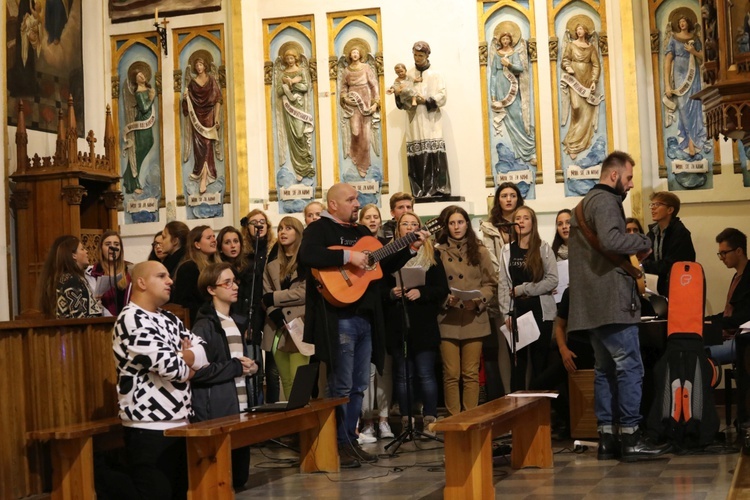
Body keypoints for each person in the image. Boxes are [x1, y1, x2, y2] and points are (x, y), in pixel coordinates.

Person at [300, 183, 429, 468]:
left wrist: (410, 248)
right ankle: (336, 444)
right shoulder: (319, 228)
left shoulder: (362, 234)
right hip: (340, 318)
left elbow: (381, 263)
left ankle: (349, 440)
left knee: (359, 385)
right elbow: (307, 255)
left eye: (357, 198)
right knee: (342, 384)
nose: (357, 203)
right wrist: (348, 256)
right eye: (351, 199)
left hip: (366, 318)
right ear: (333, 204)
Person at [568, 150, 670, 461]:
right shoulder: (606, 202)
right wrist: (643, 242)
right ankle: (632, 437)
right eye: (627, 179)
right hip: (612, 302)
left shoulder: (583, 204)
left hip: (590, 304)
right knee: (630, 367)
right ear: (614, 175)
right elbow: (612, 241)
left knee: (605, 370)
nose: (629, 185)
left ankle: (608, 438)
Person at [113, 261, 209, 499]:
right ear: (142, 282)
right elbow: (174, 369)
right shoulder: (131, 320)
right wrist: (185, 359)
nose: (170, 281)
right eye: (162, 276)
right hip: (148, 427)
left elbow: (204, 353)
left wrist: (182, 356)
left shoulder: (170, 318)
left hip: (181, 422)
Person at [191, 262, 257, 490]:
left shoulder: (235, 322)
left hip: (241, 402)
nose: (234, 286)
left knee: (240, 479)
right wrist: (237, 367)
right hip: (219, 405)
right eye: (227, 282)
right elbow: (199, 372)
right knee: (224, 479)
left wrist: (250, 368)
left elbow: (236, 362)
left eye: (235, 281)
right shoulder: (204, 326)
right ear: (211, 289)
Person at [383, 211, 449, 437]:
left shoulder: (432, 255)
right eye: (405, 224)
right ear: (398, 229)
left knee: (425, 373)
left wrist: (421, 293)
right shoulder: (387, 256)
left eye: (414, 224)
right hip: (397, 321)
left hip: (422, 321)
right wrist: (391, 293)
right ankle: (406, 420)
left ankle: (430, 419)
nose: (410, 228)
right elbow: (377, 288)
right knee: (402, 375)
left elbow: (442, 289)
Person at [436, 206, 497, 415]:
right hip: (447, 318)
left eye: (460, 222)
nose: (456, 227)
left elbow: (491, 283)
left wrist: (479, 299)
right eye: (452, 223)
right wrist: (446, 299)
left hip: (473, 317)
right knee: (451, 373)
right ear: (447, 226)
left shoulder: (479, 251)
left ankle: (470, 418)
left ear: (466, 224)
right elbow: (433, 285)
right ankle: (454, 420)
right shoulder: (438, 251)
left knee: (471, 372)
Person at [498, 206, 558, 391]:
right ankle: (517, 411)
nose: (521, 221)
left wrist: (524, 288)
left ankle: (540, 410)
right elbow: (503, 284)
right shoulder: (507, 250)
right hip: (516, 312)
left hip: (540, 312)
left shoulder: (544, 248)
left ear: (533, 223)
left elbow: (552, 280)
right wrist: (505, 313)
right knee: (518, 365)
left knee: (539, 364)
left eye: (526, 218)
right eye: (518, 218)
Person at [479, 181, 525, 396]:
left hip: (524, 289)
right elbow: (490, 259)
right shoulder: (489, 227)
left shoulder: (525, 221)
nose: (508, 199)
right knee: (504, 343)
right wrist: (505, 284)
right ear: (498, 200)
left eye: (512, 195)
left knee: (525, 344)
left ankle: (527, 392)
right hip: (501, 290)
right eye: (504, 195)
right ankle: (508, 394)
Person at [356, 204, 393, 442]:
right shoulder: (356, 246)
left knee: (385, 371)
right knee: (366, 372)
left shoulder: (387, 247)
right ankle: (367, 420)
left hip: (385, 312)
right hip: (362, 310)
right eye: (367, 217)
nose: (372, 220)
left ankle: (385, 419)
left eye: (375, 217)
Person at [262, 217, 309, 399]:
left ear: (298, 233)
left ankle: (301, 421)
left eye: (288, 228)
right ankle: (292, 423)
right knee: (285, 381)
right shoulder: (271, 265)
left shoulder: (306, 263)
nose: (282, 231)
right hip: (276, 328)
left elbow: (304, 293)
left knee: (299, 380)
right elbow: (264, 295)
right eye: (280, 228)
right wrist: (273, 311)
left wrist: (275, 298)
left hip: (300, 325)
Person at [397, 41, 452, 197]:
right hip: (414, 119)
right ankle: (419, 190)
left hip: (431, 119)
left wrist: (426, 100)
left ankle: (438, 189)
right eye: (415, 55)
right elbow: (402, 98)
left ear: (427, 55)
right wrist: (400, 95)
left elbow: (442, 96)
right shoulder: (407, 75)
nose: (417, 58)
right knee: (417, 153)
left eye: (420, 55)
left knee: (434, 151)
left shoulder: (436, 75)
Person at [241, 209, 279, 403]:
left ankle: (273, 411)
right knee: (256, 367)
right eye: (254, 222)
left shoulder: (275, 249)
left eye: (262, 221)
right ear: (247, 227)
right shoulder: (245, 253)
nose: (259, 225)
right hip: (252, 314)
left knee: (273, 371)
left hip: (272, 312)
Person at [490, 31, 536, 164]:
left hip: (512, 88)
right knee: (508, 122)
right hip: (500, 87)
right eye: (503, 39)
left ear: (510, 40)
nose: (505, 41)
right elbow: (493, 75)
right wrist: (493, 95)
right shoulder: (497, 54)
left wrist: (509, 65)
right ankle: (519, 153)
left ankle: (528, 149)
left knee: (518, 116)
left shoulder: (515, 54)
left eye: (507, 38)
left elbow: (520, 69)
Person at [664, 14, 707, 156]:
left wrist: (693, 51)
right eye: (680, 22)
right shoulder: (674, 38)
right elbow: (668, 61)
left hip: (692, 75)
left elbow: (703, 56)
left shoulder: (694, 38)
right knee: (682, 106)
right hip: (679, 75)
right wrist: (667, 85)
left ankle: (693, 140)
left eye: (684, 21)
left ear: (688, 23)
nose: (682, 24)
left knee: (694, 107)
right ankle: (688, 138)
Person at [707, 228, 750, 364]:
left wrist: (712, 324)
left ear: (738, 251)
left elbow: (744, 316)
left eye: (724, 253)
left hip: (743, 340)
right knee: (690, 347)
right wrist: (704, 320)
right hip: (730, 336)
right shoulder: (737, 276)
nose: (722, 258)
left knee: (700, 354)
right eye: (720, 254)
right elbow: (729, 313)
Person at [182, 53, 223, 194]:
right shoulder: (192, 83)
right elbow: (187, 106)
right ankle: (200, 173)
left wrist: (217, 117)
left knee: (207, 145)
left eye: (201, 64)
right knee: (198, 147)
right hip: (197, 118)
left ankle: (205, 177)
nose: (199, 67)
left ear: (205, 65)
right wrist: (185, 98)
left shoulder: (211, 80)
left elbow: (218, 99)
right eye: (197, 65)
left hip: (209, 116)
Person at [561, 23, 602, 159]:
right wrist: (568, 67)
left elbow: (596, 65)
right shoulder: (571, 45)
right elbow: (565, 60)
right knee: (576, 107)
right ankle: (572, 141)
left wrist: (594, 81)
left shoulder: (590, 48)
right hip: (575, 80)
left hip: (587, 81)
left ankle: (577, 145)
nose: (579, 31)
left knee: (586, 112)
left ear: (585, 31)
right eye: (577, 29)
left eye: (581, 28)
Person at [642, 191, 696, 297]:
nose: (652, 208)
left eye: (657, 205)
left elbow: (673, 265)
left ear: (670, 210)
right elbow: (647, 257)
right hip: (657, 289)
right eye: (651, 205)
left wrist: (644, 266)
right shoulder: (652, 233)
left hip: (677, 288)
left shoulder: (680, 233)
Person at [338, 44, 380, 178]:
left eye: (356, 52)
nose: (354, 54)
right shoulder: (346, 70)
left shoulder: (366, 68)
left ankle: (364, 164)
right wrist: (345, 98)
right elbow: (343, 87)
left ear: (360, 54)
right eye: (352, 52)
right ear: (349, 56)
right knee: (355, 132)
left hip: (365, 99)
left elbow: (374, 85)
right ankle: (356, 156)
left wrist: (375, 103)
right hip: (353, 102)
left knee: (366, 135)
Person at [275, 46, 314, 181]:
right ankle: (298, 168)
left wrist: (292, 83)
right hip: (288, 108)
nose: (289, 60)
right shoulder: (282, 74)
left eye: (291, 58)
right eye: (287, 58)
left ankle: (305, 164)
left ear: (296, 58)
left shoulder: (301, 71)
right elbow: (279, 91)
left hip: (299, 107)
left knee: (299, 134)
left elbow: (305, 87)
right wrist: (286, 86)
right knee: (293, 137)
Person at [38, 235, 102, 319]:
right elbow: (80, 318)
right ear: (73, 255)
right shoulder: (72, 280)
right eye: (82, 249)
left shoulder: (69, 277)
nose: (86, 251)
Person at [172, 225, 219, 324]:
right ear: (197, 244)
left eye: (214, 236)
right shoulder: (189, 268)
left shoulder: (218, 266)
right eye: (208, 238)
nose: (213, 240)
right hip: (199, 322)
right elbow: (186, 303)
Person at [122, 63, 156, 195]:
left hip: (147, 122)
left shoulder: (148, 89)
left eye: (142, 74)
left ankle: (129, 177)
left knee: (148, 144)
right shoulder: (138, 93)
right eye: (138, 76)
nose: (141, 76)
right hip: (142, 122)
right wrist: (151, 98)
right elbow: (144, 108)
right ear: (135, 80)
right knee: (139, 150)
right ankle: (132, 181)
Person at [87, 230, 132, 317]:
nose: (112, 247)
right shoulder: (94, 272)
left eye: (116, 244)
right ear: (101, 248)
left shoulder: (128, 271)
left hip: (125, 320)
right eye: (108, 244)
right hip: (103, 322)